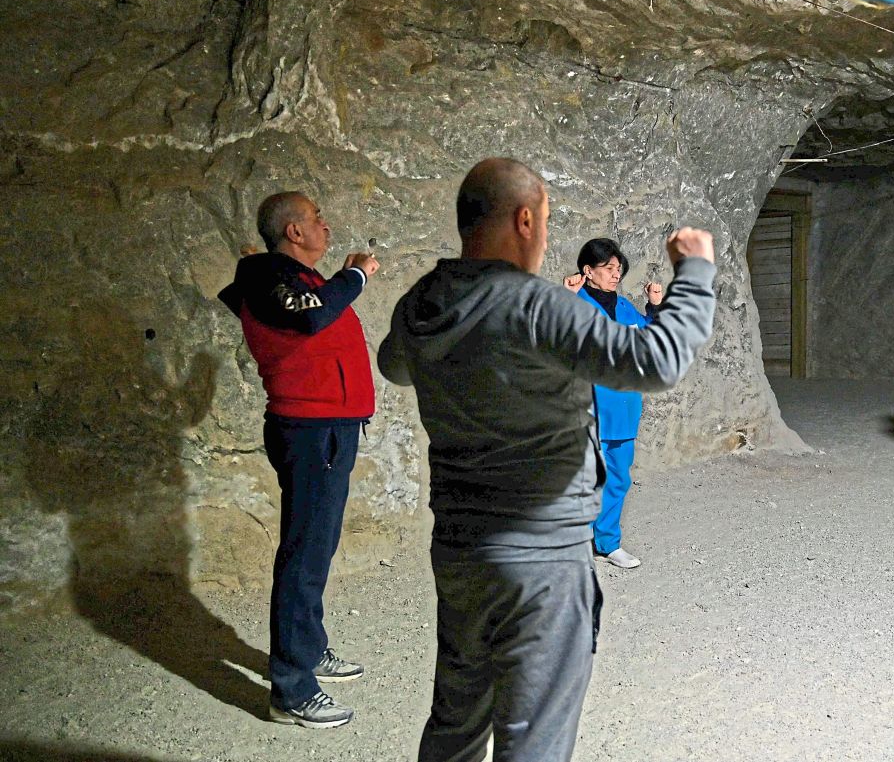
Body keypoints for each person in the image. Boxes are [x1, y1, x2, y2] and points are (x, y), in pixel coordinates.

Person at [377, 157, 716, 762]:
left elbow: (394, 366)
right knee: (533, 737)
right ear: (526, 219)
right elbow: (658, 361)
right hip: (542, 556)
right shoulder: (536, 306)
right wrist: (695, 271)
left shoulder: (422, 301)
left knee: (456, 722)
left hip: (460, 548)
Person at [218, 191, 380, 728]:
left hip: (329, 429)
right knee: (304, 554)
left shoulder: (293, 279)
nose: (325, 225)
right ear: (293, 231)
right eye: (316, 218)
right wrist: (353, 277)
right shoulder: (266, 277)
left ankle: (306, 653)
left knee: (317, 546)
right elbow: (309, 320)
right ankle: (291, 690)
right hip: (310, 431)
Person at [562, 238, 664, 569]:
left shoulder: (624, 309)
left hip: (622, 407)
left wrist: (654, 307)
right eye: (608, 268)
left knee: (618, 477)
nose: (615, 273)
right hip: (585, 408)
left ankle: (608, 543)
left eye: (618, 268)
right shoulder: (575, 302)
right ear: (587, 271)